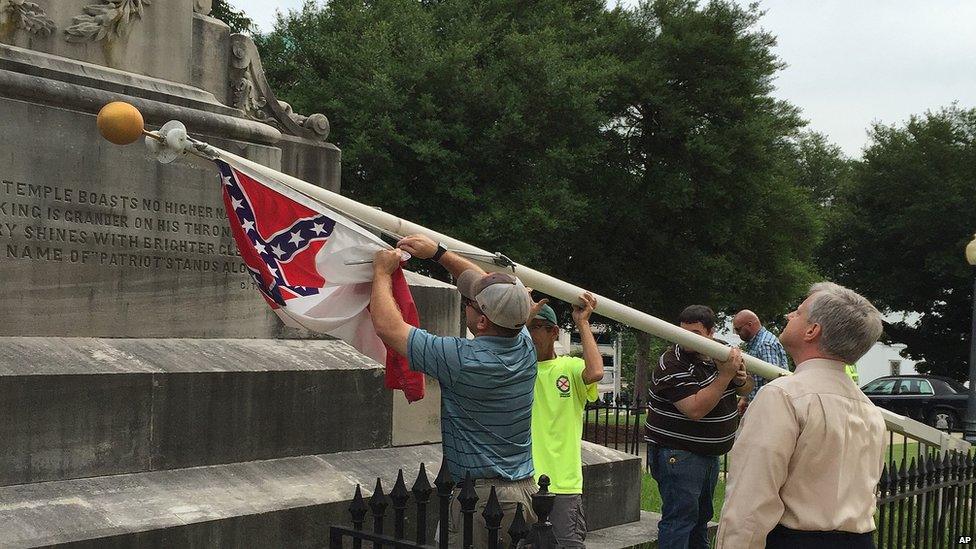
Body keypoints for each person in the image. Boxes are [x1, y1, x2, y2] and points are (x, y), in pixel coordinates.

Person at [369, 234, 539, 547]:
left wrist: (380, 273)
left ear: (483, 321)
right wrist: (438, 253)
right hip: (523, 489)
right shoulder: (524, 343)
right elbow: (485, 285)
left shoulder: (463, 359)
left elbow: (389, 328)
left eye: (469, 303)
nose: (466, 306)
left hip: (483, 500)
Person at [715, 282, 886, 549]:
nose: (789, 315)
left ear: (812, 330)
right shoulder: (870, 410)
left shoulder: (782, 396)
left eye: (798, 311)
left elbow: (750, 504)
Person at [644, 305, 752, 549]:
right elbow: (695, 409)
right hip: (678, 453)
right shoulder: (671, 364)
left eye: (695, 333)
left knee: (701, 519)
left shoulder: (722, 352)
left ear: (711, 332)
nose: (687, 339)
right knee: (680, 520)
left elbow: (745, 388)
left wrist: (740, 378)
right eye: (683, 332)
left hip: (707, 455)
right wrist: (724, 376)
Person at [528, 293, 603, 547]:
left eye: (538, 327)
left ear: (554, 332)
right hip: (522, 482)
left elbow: (595, 372)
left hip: (562, 485)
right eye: (527, 326)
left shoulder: (568, 367)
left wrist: (582, 322)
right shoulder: (515, 369)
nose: (531, 333)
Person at [731, 309, 790, 414]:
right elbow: (757, 378)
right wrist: (745, 399)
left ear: (749, 325)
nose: (737, 333)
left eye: (738, 329)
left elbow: (772, 380)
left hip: (767, 409)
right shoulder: (757, 342)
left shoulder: (765, 344)